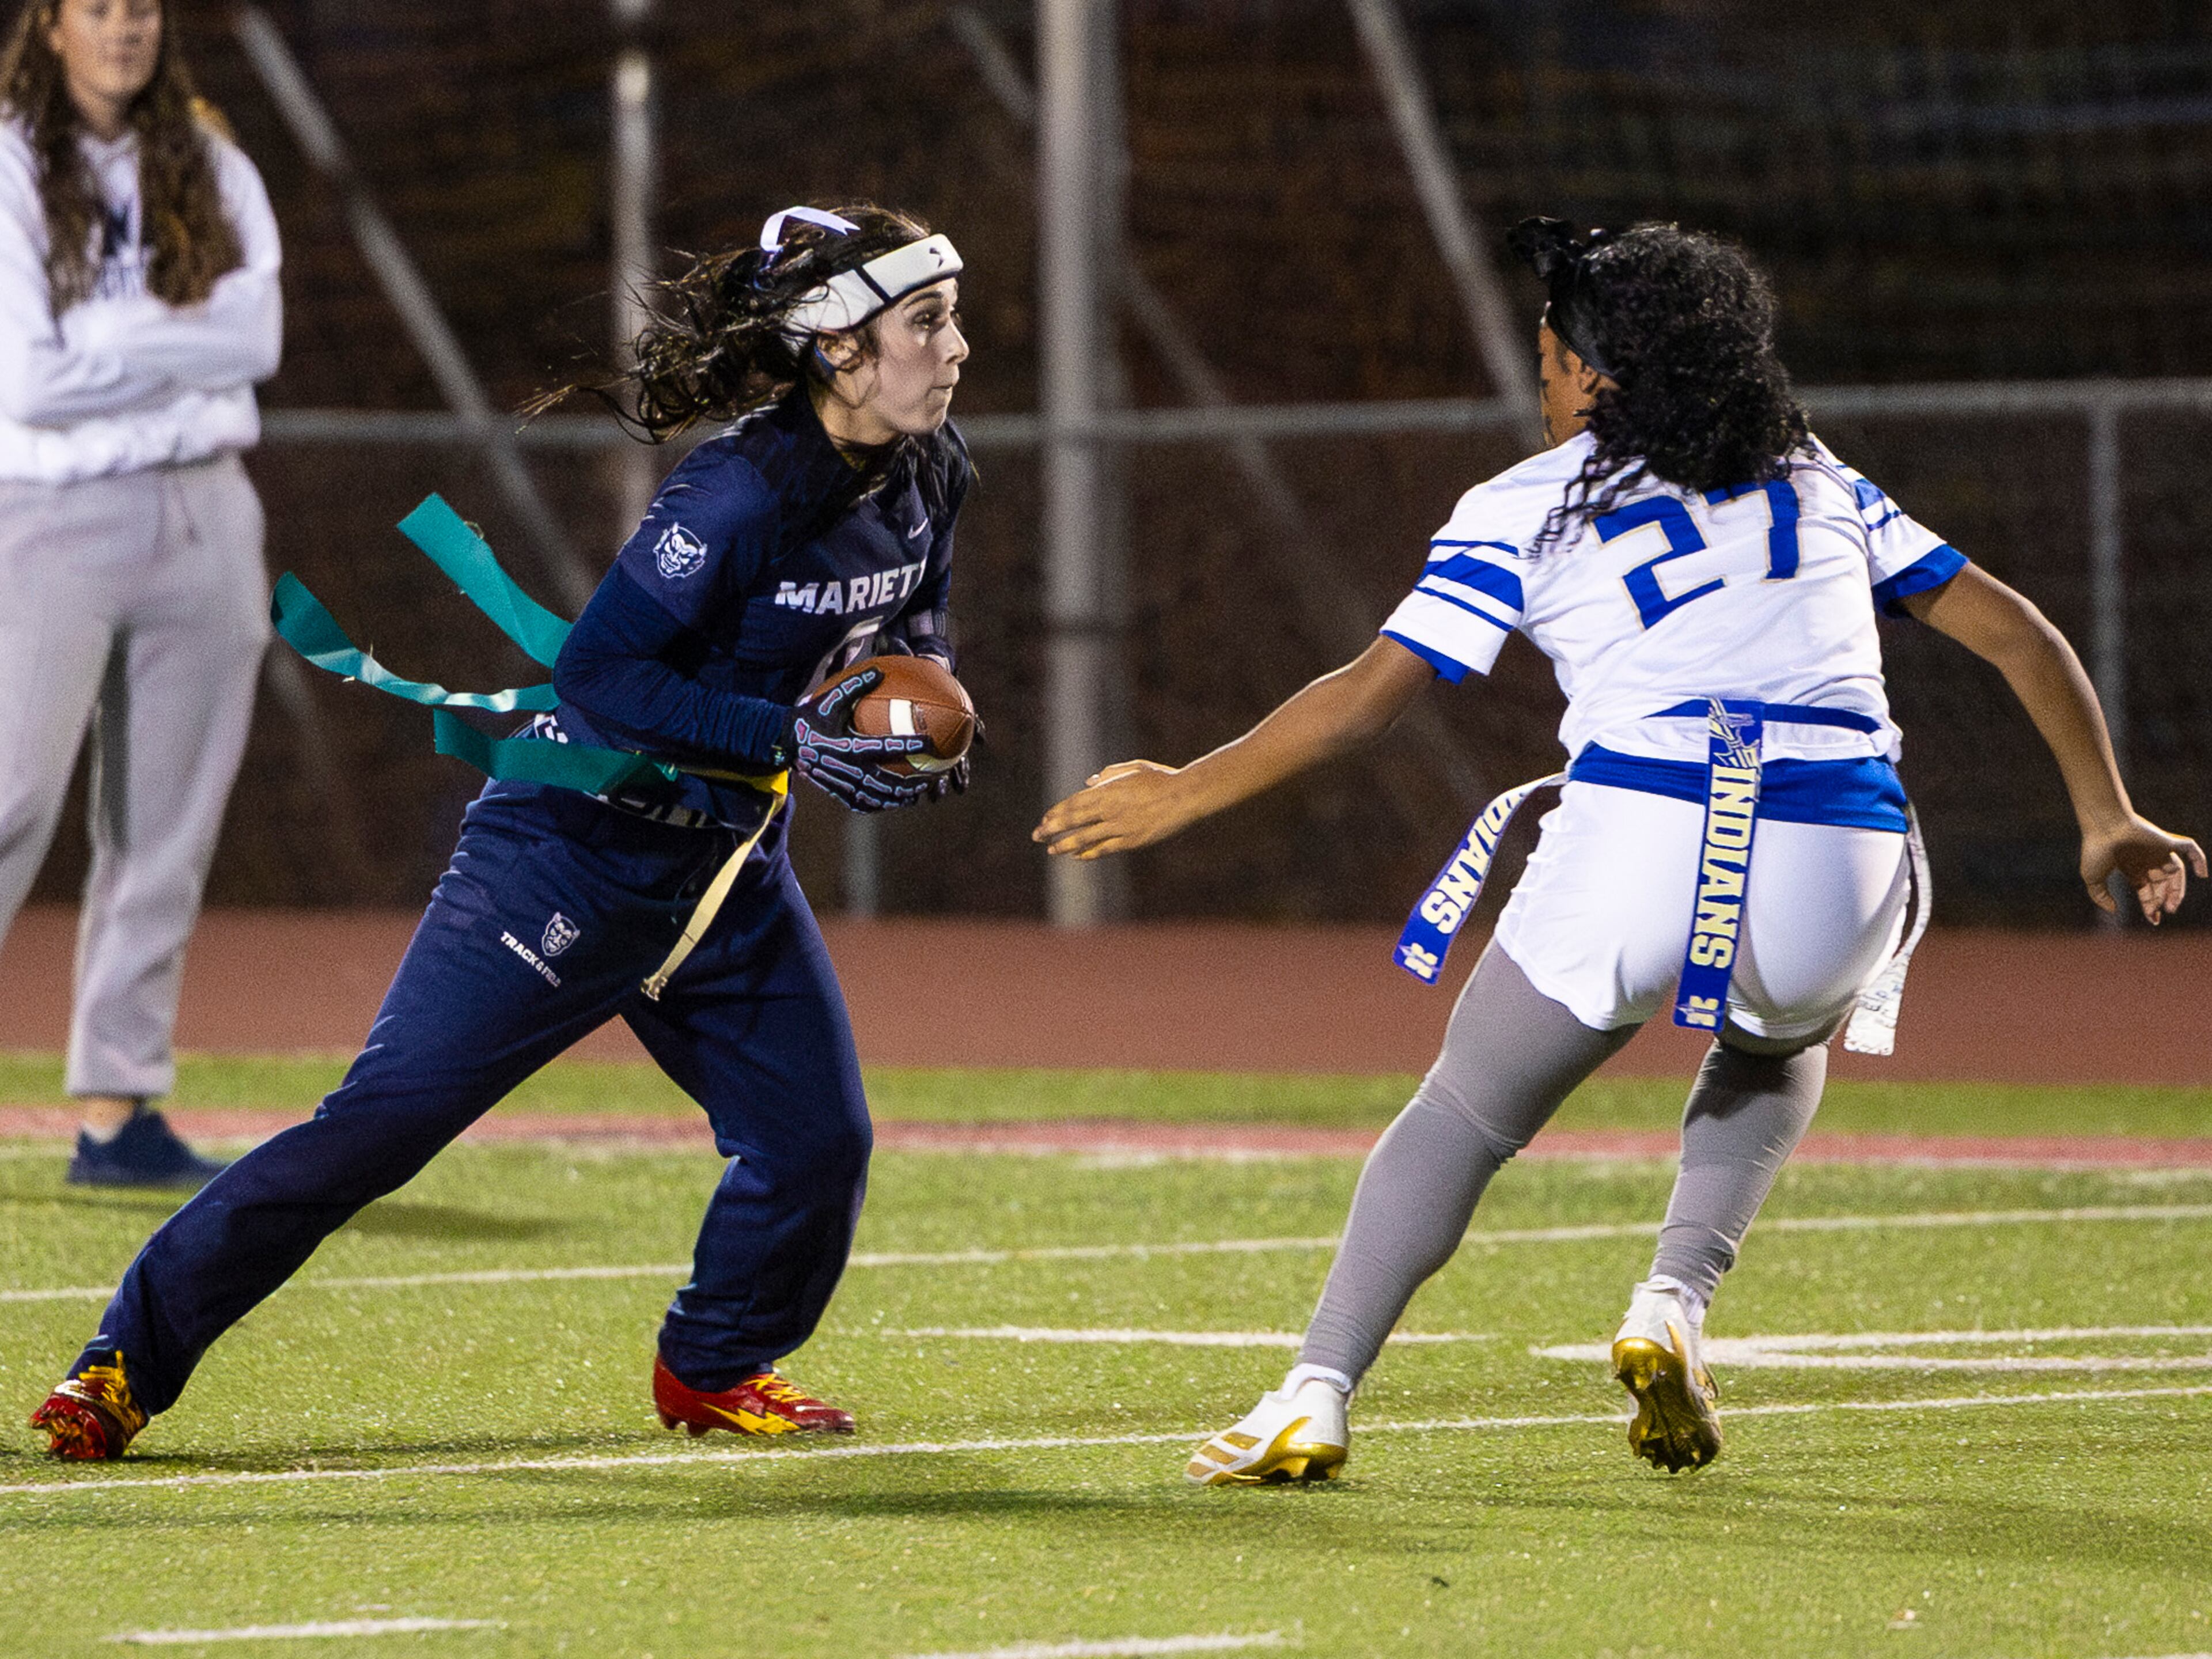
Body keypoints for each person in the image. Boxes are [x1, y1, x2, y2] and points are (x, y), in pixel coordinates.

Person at [1036, 218, 2203, 1483]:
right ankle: (1672, 1304)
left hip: (1647, 826)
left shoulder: (1523, 502)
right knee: (1779, 1038)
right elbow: (2021, 634)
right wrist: (2106, 811)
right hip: (1840, 846)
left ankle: (1315, 1390)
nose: (1539, 384)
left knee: (1465, 1116)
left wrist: (1187, 789)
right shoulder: (1814, 475)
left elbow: (1373, 697)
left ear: (1597, 373)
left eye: (1548, 360)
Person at [31, 201, 973, 1459]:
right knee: (380, 1128)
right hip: (573, 848)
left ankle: (713, 1365)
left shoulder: (932, 468)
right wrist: (790, 739)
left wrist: (928, 716)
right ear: (839, 347)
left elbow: (919, 626)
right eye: (926, 320)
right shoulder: (742, 489)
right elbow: (600, 675)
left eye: (950, 316)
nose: (955, 345)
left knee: (817, 1145)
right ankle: (121, 1362)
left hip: (723, 868)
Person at [0, 0, 280, 1187]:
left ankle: (118, 1116)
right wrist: (178, 333)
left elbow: (256, 334)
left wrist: (108, 334)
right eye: (99, 9)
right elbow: (30, 373)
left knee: (164, 828)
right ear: (50, 27)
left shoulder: (208, 157)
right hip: (53, 514)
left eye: (142, 9)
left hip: (208, 510)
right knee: (10, 798)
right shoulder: (10, 157)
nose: (125, 29)